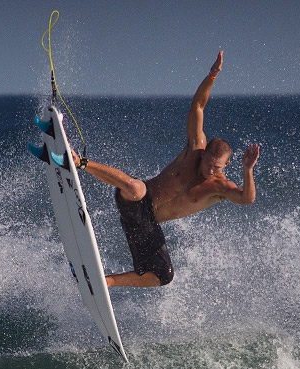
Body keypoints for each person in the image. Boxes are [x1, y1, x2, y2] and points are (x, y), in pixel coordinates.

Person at [72, 50, 261, 288]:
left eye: (217, 167)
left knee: (164, 276)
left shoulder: (220, 187)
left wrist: (248, 170)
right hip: (135, 202)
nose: (210, 170)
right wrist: (212, 76)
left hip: (147, 226)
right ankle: (80, 162)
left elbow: (246, 199)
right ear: (203, 155)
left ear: (226, 165)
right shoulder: (194, 149)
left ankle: (105, 282)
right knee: (135, 187)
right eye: (207, 164)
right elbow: (198, 106)